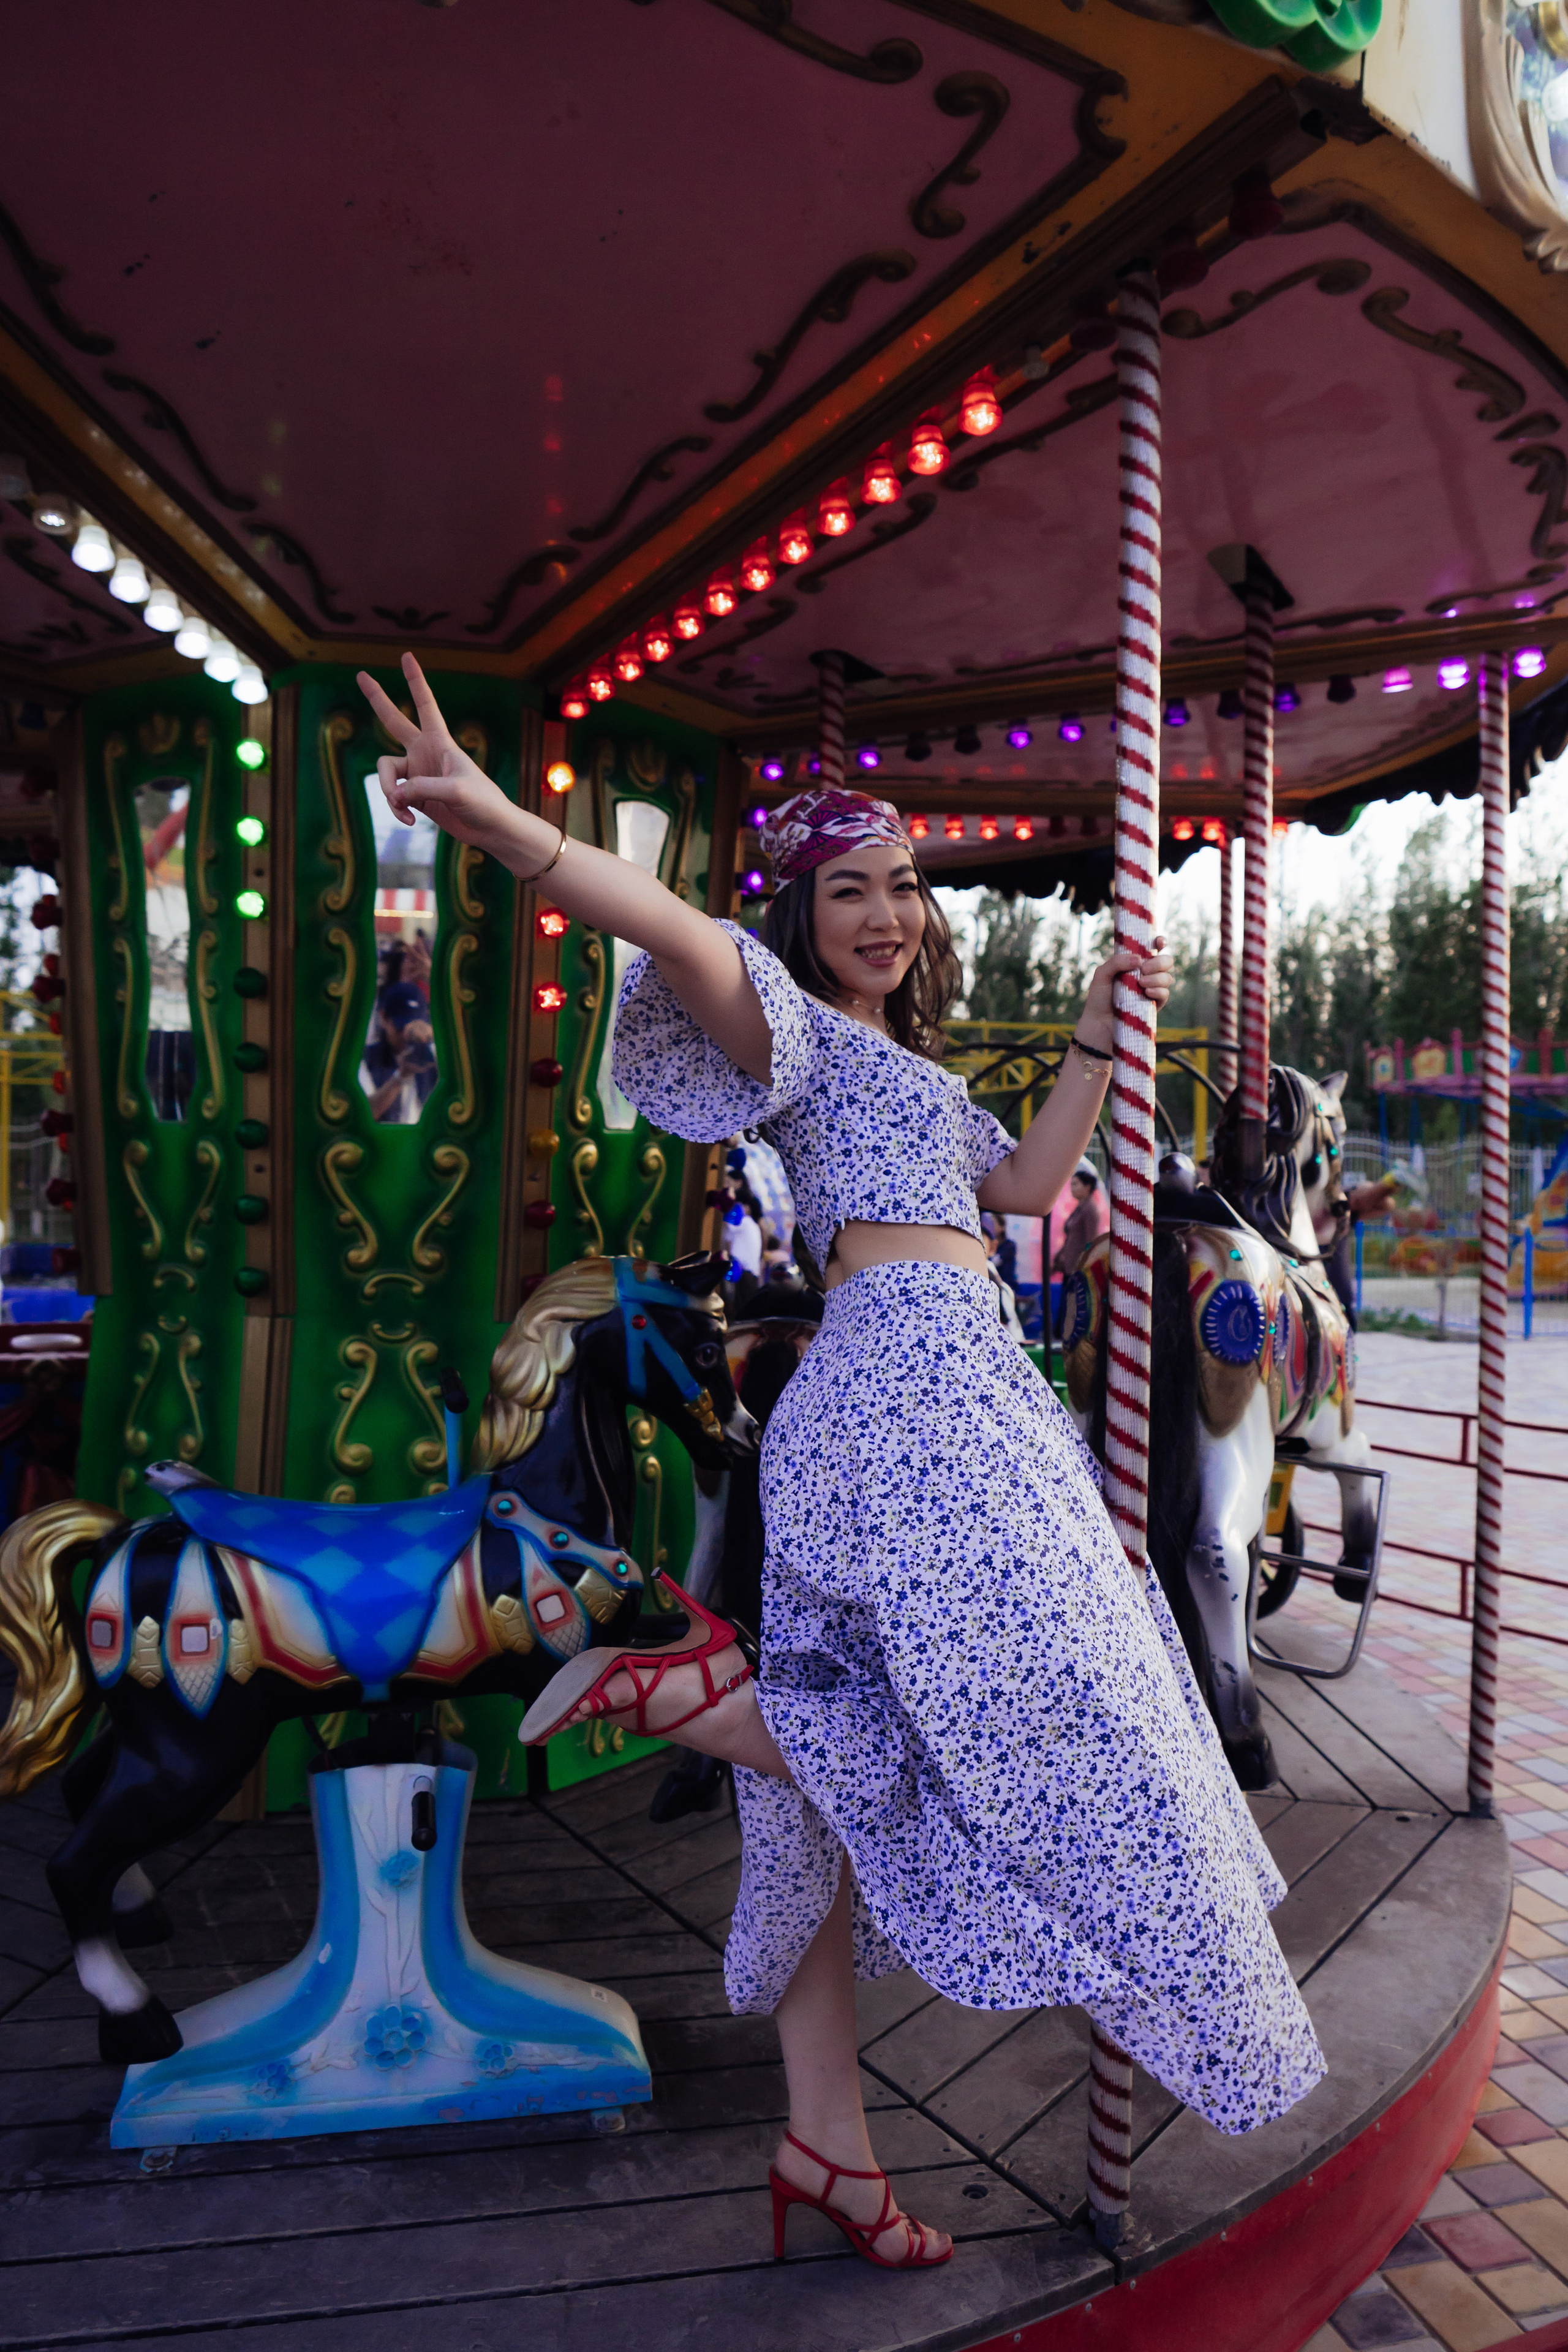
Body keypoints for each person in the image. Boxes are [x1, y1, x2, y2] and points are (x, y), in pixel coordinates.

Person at [359, 655, 1324, 2274]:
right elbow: (667, 930)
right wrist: (505, 825)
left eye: (903, 886)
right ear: (798, 919)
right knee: (1067, 1692)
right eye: (849, 889)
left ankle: (828, 2150)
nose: (886, 913)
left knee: (820, 1810)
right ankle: (684, 1696)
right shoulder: (792, 1033)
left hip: (957, 1386)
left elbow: (1024, 1188)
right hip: (902, 1394)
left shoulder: (919, 1075)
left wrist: (1096, 1038)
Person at [360, 979, 437, 1124]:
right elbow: (364, 1114)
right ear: (384, 1018)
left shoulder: (434, 1054)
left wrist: (432, 1037)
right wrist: (401, 1076)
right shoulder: (366, 1058)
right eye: (400, 1028)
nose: (405, 1036)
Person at [1051, 1158, 1105, 1335]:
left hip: (1078, 1266)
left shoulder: (1090, 1210)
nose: (1072, 1188)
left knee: (1074, 1304)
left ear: (1087, 1187)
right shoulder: (1080, 1208)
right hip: (1070, 1265)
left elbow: (1091, 1240)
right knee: (1067, 1301)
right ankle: (1062, 1334)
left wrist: (1085, 1264)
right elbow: (1071, 1238)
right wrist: (1060, 1256)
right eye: (1071, 1184)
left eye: (1076, 1184)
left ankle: (1068, 1335)